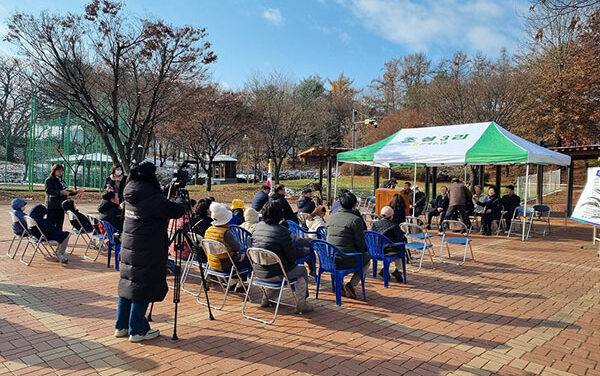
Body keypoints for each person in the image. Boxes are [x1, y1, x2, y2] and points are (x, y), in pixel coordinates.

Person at [115, 161, 185, 343]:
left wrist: (169, 188)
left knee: (128, 284)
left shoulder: (131, 188)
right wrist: (181, 199)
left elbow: (155, 200)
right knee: (142, 288)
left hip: (130, 246)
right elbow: (174, 210)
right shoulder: (151, 196)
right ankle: (138, 330)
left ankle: (121, 326)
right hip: (147, 247)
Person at [250, 200, 314, 313]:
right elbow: (291, 257)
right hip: (277, 273)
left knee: (276, 268)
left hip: (258, 271)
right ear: (280, 214)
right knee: (301, 270)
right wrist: (305, 251)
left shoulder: (257, 227)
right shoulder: (282, 231)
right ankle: (301, 303)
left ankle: (266, 298)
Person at [325, 191, 371, 300]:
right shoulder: (355, 220)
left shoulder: (330, 218)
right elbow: (360, 244)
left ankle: (340, 285)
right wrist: (364, 252)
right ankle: (352, 284)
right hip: (346, 259)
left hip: (328, 259)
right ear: (354, 205)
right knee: (367, 259)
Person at [204, 202, 249, 284]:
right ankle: (240, 284)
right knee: (246, 258)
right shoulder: (225, 232)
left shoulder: (208, 230)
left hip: (212, 263)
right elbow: (237, 247)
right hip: (225, 265)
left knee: (238, 257)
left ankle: (233, 281)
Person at [371, 206, 407, 282]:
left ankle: (386, 270)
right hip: (388, 251)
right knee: (401, 251)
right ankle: (398, 271)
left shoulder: (375, 224)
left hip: (376, 250)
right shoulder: (394, 225)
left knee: (396, 249)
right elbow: (400, 239)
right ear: (391, 216)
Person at [45, 164, 78, 231]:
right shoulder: (49, 180)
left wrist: (75, 192)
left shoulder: (61, 180)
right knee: (51, 224)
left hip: (61, 205)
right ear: (54, 171)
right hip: (52, 206)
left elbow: (66, 191)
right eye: (59, 171)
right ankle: (50, 238)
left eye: (62, 171)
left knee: (60, 224)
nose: (61, 173)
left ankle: (59, 238)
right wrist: (61, 192)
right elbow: (49, 191)